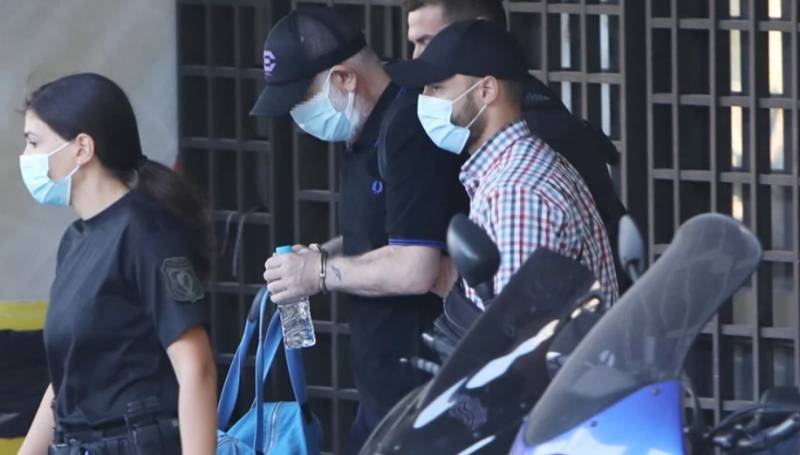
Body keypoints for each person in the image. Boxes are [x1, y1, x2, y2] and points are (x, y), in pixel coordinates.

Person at [250, 6, 468, 454]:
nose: (299, 116)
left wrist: (320, 273)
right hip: (381, 392)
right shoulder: (362, 129)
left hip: (426, 390)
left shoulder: (407, 127)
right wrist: (317, 257)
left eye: (302, 100)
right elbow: (380, 234)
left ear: (344, 79)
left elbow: (415, 267)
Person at [16, 73, 217, 455]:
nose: (26, 157)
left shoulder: (146, 232)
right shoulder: (75, 240)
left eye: (34, 142)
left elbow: (197, 368)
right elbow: (67, 381)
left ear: (82, 148)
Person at [388, 20, 619, 307]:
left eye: (437, 87)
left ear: (486, 90)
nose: (424, 100)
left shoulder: (516, 191)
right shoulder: (514, 169)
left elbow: (517, 325)